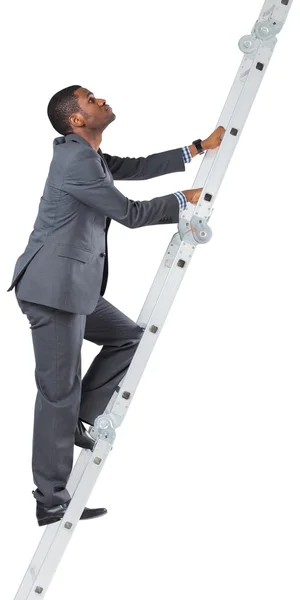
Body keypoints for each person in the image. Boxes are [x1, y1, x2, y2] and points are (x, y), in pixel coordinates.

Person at [7, 85, 224, 526]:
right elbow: (130, 213)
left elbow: (134, 168)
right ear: (77, 120)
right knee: (56, 394)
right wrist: (185, 199)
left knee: (128, 338)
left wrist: (197, 148)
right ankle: (50, 500)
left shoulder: (88, 156)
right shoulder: (74, 159)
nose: (101, 100)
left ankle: (76, 419)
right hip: (52, 290)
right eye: (91, 99)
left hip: (71, 288)